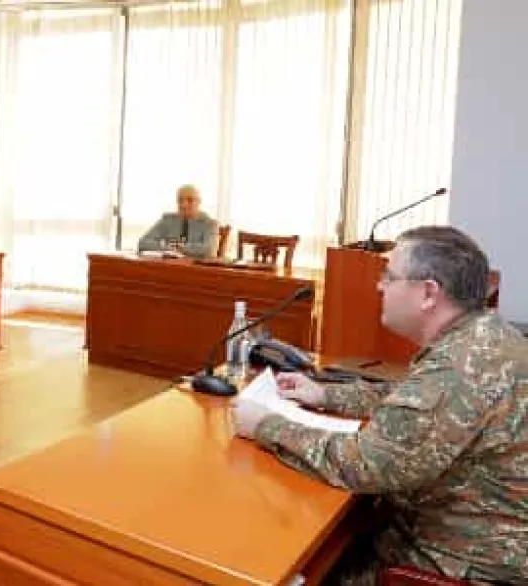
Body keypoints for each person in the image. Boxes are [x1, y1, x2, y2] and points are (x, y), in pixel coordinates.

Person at [231, 226, 527, 585]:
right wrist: (325, 395)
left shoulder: (459, 367)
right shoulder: (482, 337)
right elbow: (409, 398)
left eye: (389, 276)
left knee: (287, 556)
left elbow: (364, 464)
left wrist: (265, 425)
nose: (379, 286)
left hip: (458, 565)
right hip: (470, 537)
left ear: (428, 293)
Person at [137, 184, 218, 259]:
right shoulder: (168, 220)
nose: (184, 205)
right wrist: (170, 248)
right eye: (180, 200)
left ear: (199, 202)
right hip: (170, 266)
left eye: (190, 200)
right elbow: (142, 243)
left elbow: (210, 251)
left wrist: (178, 247)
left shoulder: (210, 224)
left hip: (194, 268)